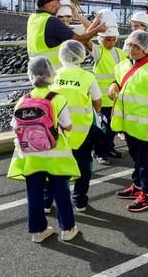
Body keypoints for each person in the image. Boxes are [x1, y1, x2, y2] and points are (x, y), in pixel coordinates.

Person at [7, 56, 80, 243]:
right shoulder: (57, 99)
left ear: (30, 75)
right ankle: (68, 229)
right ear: (50, 74)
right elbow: (68, 125)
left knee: (34, 195)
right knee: (61, 192)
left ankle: (38, 232)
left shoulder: (23, 100)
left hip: (31, 156)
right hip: (56, 156)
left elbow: (15, 126)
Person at [110, 31, 148, 212]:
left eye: (137, 47)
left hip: (147, 126)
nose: (132, 49)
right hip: (129, 124)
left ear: (145, 49)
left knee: (146, 161)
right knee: (136, 158)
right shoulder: (123, 66)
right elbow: (119, 81)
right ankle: (137, 186)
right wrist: (114, 84)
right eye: (130, 45)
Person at [50, 40, 102, 212]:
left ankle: (46, 201)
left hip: (57, 131)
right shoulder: (88, 77)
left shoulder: (53, 75)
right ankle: (79, 200)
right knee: (83, 166)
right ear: (81, 56)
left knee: (54, 166)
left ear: (61, 55)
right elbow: (97, 102)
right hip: (82, 131)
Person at [26, 0, 105, 69]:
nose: (59, 5)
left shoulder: (33, 17)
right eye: (57, 2)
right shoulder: (52, 22)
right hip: (53, 74)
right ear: (48, 5)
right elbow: (81, 39)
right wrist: (98, 29)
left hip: (37, 72)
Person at [91, 13, 126, 165]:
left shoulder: (121, 53)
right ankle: (99, 152)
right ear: (101, 39)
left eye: (113, 40)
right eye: (107, 39)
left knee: (113, 126)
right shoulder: (98, 51)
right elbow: (85, 39)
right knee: (103, 128)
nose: (111, 43)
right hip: (101, 99)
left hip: (115, 98)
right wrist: (94, 25)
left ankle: (109, 147)